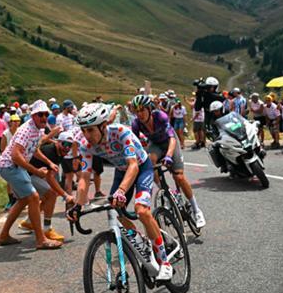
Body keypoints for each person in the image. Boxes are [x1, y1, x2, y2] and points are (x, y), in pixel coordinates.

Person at [68, 103, 174, 281]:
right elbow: (85, 177)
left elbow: (133, 165)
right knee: (116, 211)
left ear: (103, 126)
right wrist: (78, 205)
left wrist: (122, 191)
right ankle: (141, 241)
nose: (87, 135)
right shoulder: (86, 144)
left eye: (91, 130)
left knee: (141, 210)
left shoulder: (120, 132)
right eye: (83, 130)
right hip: (121, 171)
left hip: (141, 168)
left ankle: (165, 262)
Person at [0, 100, 66, 249]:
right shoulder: (26, 130)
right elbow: (15, 155)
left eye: (46, 114)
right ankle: (41, 240)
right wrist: (36, 171)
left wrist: (48, 162)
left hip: (15, 166)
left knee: (24, 200)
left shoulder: (38, 129)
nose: (44, 117)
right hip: (9, 166)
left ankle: (3, 235)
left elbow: (34, 149)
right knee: (33, 197)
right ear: (33, 116)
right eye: (40, 114)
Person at [131, 95, 205, 228]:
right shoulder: (136, 124)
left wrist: (169, 156)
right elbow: (136, 145)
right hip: (155, 144)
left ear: (149, 109)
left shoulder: (160, 116)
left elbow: (171, 137)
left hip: (170, 141)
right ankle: (167, 192)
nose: (140, 114)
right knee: (150, 162)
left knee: (179, 176)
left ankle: (197, 210)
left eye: (142, 110)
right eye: (137, 111)